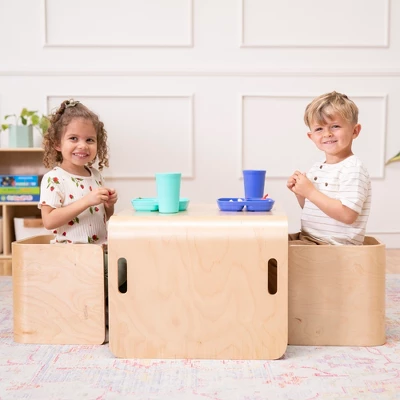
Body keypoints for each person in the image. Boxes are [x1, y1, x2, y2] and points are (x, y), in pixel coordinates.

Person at [39, 99, 124, 302]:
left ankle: (107, 307)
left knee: (128, 262)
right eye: (73, 138)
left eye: (90, 140)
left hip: (99, 250)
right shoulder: (54, 178)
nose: (82, 146)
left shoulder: (95, 175)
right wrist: (86, 201)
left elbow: (104, 217)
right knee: (116, 272)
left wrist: (108, 205)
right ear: (57, 143)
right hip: (73, 254)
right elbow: (49, 221)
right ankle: (96, 310)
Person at [287, 91, 371, 246]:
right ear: (311, 136)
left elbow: (348, 215)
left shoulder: (353, 168)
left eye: (335, 126)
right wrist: (301, 193)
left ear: (355, 131)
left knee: (276, 253)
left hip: (333, 246)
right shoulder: (317, 168)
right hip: (311, 238)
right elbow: (315, 209)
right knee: (271, 243)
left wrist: (310, 192)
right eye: (319, 129)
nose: (327, 134)